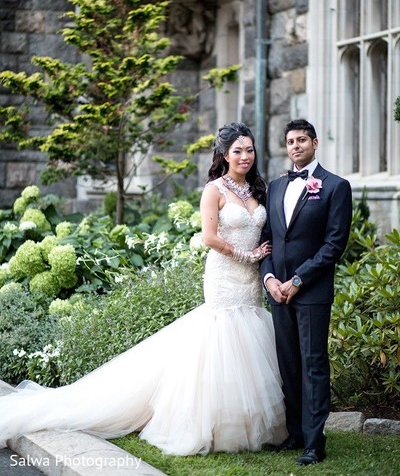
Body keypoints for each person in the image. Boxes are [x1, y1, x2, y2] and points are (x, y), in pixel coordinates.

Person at [0, 122, 287, 455]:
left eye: (249, 150)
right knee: (224, 338)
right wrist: (247, 254)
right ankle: (219, 426)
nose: (245, 156)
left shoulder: (255, 190)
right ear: (224, 154)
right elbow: (209, 237)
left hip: (251, 281)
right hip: (225, 275)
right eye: (237, 150)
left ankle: (254, 422)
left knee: (249, 337)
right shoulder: (214, 190)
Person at [260, 118, 352, 466]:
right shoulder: (275, 187)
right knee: (288, 365)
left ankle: (315, 442)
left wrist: (297, 281)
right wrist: (270, 281)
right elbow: (266, 240)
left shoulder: (335, 186)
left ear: (315, 143)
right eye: (290, 141)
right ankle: (295, 434)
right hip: (277, 293)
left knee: (313, 365)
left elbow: (333, 245)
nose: (295, 146)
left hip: (310, 292)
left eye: (301, 140)